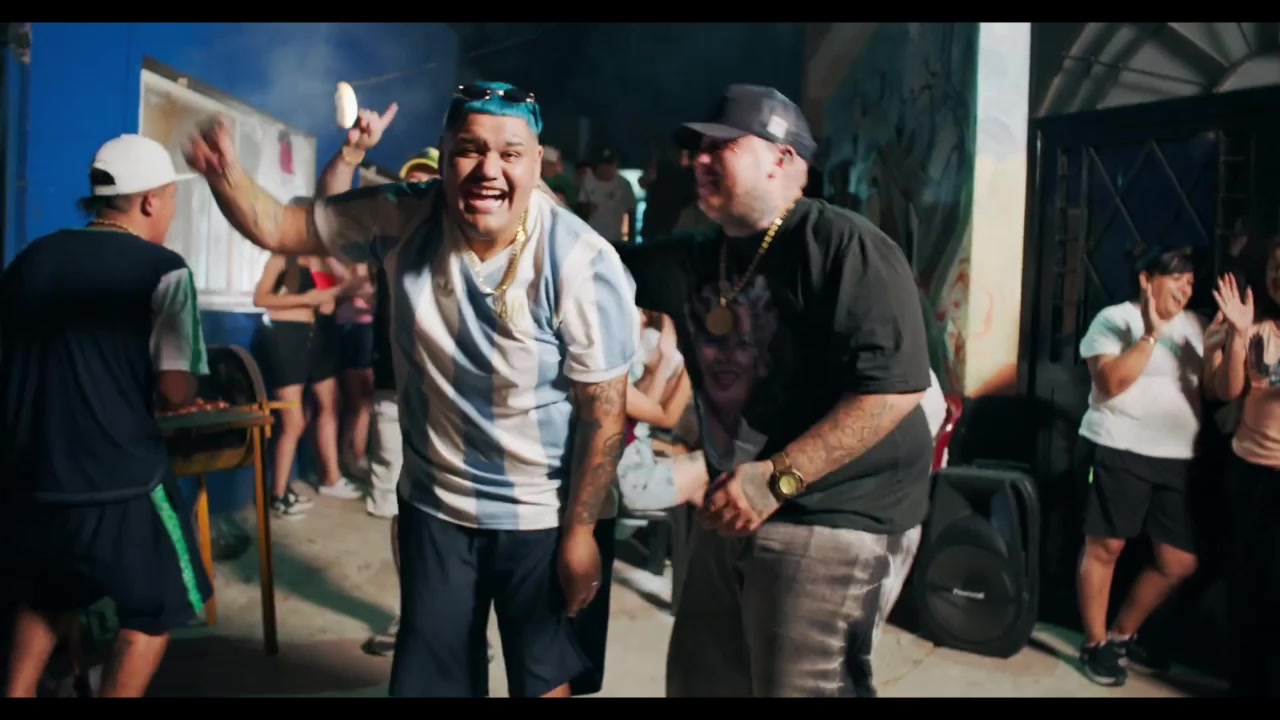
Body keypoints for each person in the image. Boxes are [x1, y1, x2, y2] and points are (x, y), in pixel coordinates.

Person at [183, 80, 636, 698]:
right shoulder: (403, 214)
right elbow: (285, 227)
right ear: (444, 155)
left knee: (544, 680)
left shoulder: (581, 260)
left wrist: (580, 534)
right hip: (437, 505)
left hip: (545, 511)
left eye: (510, 153)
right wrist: (225, 176)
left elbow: (604, 412)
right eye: (470, 149)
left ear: (536, 163)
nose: (489, 169)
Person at [620, 84, 932, 697]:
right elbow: (584, 259)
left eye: (721, 146)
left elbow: (894, 391)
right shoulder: (699, 257)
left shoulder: (844, 245)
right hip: (733, 505)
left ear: (783, 159)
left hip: (835, 511)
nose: (699, 159)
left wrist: (777, 479)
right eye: (696, 148)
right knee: (700, 685)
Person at [0, 134, 212, 697]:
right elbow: (175, 390)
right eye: (171, 200)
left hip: (33, 480)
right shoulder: (165, 270)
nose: (171, 212)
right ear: (149, 201)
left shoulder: (29, 261)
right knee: (156, 610)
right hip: (122, 480)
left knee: (47, 596)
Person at [1072, 247, 1204, 687]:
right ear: (1147, 280)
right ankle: (1094, 643)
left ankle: (1121, 635)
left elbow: (1216, 387)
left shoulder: (1196, 326)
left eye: (1191, 282)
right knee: (1105, 547)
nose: (1186, 290)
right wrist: (1149, 335)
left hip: (1176, 458)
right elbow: (1110, 382)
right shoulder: (1114, 319)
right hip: (1118, 446)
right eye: (1177, 279)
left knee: (1178, 561)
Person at [1205, 244, 1280, 697]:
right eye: (1275, 267)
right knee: (1248, 587)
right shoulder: (1258, 331)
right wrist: (1237, 335)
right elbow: (1227, 390)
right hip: (1251, 473)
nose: (1279, 276)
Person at [252, 251, 358, 518]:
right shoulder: (281, 258)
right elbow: (260, 298)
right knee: (294, 421)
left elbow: (332, 299)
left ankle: (327, 479)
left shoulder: (324, 260)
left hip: (315, 334)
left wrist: (337, 289)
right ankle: (277, 495)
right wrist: (305, 299)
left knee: (327, 405)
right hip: (285, 336)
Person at [579, 148, 637, 245]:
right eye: (603, 165)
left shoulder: (623, 184)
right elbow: (581, 207)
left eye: (609, 164)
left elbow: (631, 212)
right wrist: (587, 209)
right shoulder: (587, 180)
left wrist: (631, 241)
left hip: (615, 239)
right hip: (592, 238)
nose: (606, 168)